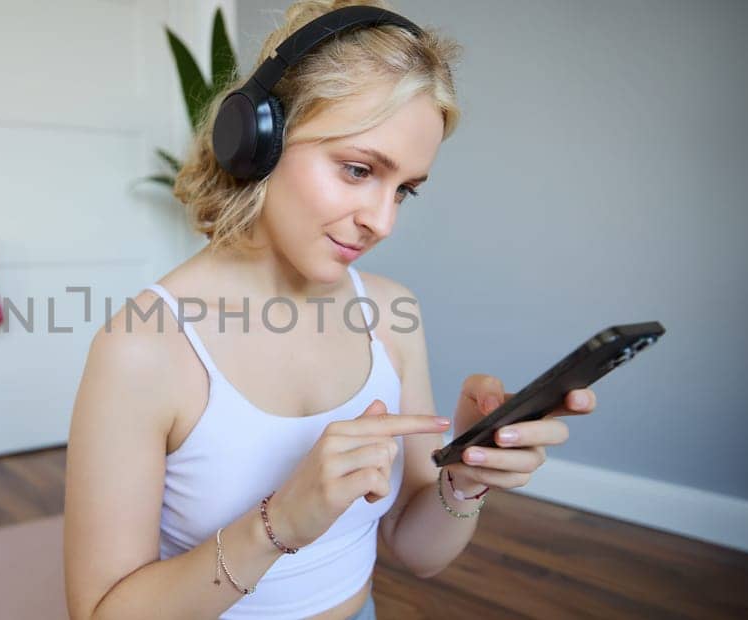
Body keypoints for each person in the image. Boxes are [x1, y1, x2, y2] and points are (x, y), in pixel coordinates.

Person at [63, 2, 596, 618]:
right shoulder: (144, 347)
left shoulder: (393, 314)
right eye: (358, 169)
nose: (383, 220)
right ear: (259, 139)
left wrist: (464, 480)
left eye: (404, 190)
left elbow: (418, 551)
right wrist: (280, 523)